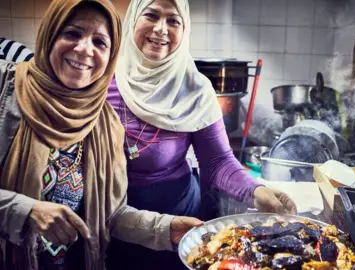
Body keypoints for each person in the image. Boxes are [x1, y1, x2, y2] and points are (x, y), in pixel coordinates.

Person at [0, 0, 197, 269]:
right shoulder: (5, 88)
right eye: (72, 33)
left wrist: (165, 228)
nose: (84, 50)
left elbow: (112, 216)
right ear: (49, 34)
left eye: (100, 42)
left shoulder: (105, 122)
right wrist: (23, 211)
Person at [105, 0, 297, 268]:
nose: (161, 29)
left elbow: (218, 162)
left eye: (173, 21)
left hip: (181, 224)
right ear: (132, 20)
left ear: (184, 31)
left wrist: (257, 190)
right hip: (114, 223)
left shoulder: (195, 88)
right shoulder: (101, 81)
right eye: (151, 15)